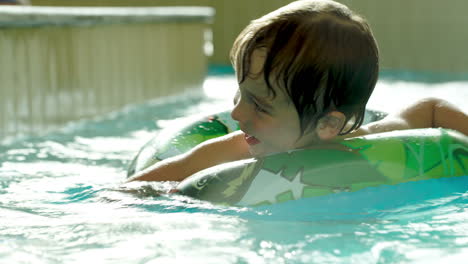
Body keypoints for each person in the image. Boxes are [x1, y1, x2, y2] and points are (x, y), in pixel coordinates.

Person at [127, 0, 468, 182]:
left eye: (259, 106)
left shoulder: (372, 142)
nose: (237, 115)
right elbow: (136, 190)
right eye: (240, 94)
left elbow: (431, 107)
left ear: (329, 125)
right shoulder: (232, 151)